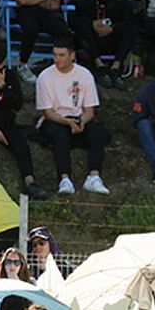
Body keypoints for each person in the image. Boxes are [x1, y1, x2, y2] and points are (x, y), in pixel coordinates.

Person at [36, 40, 110, 196]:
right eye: (55, 55)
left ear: (72, 55)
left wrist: (81, 121)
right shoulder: (45, 77)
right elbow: (48, 112)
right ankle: (64, 178)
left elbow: (90, 110)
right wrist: (67, 122)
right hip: (55, 119)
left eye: (61, 55)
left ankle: (94, 177)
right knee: (59, 135)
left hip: (78, 117)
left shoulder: (84, 75)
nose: (57, 59)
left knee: (97, 133)